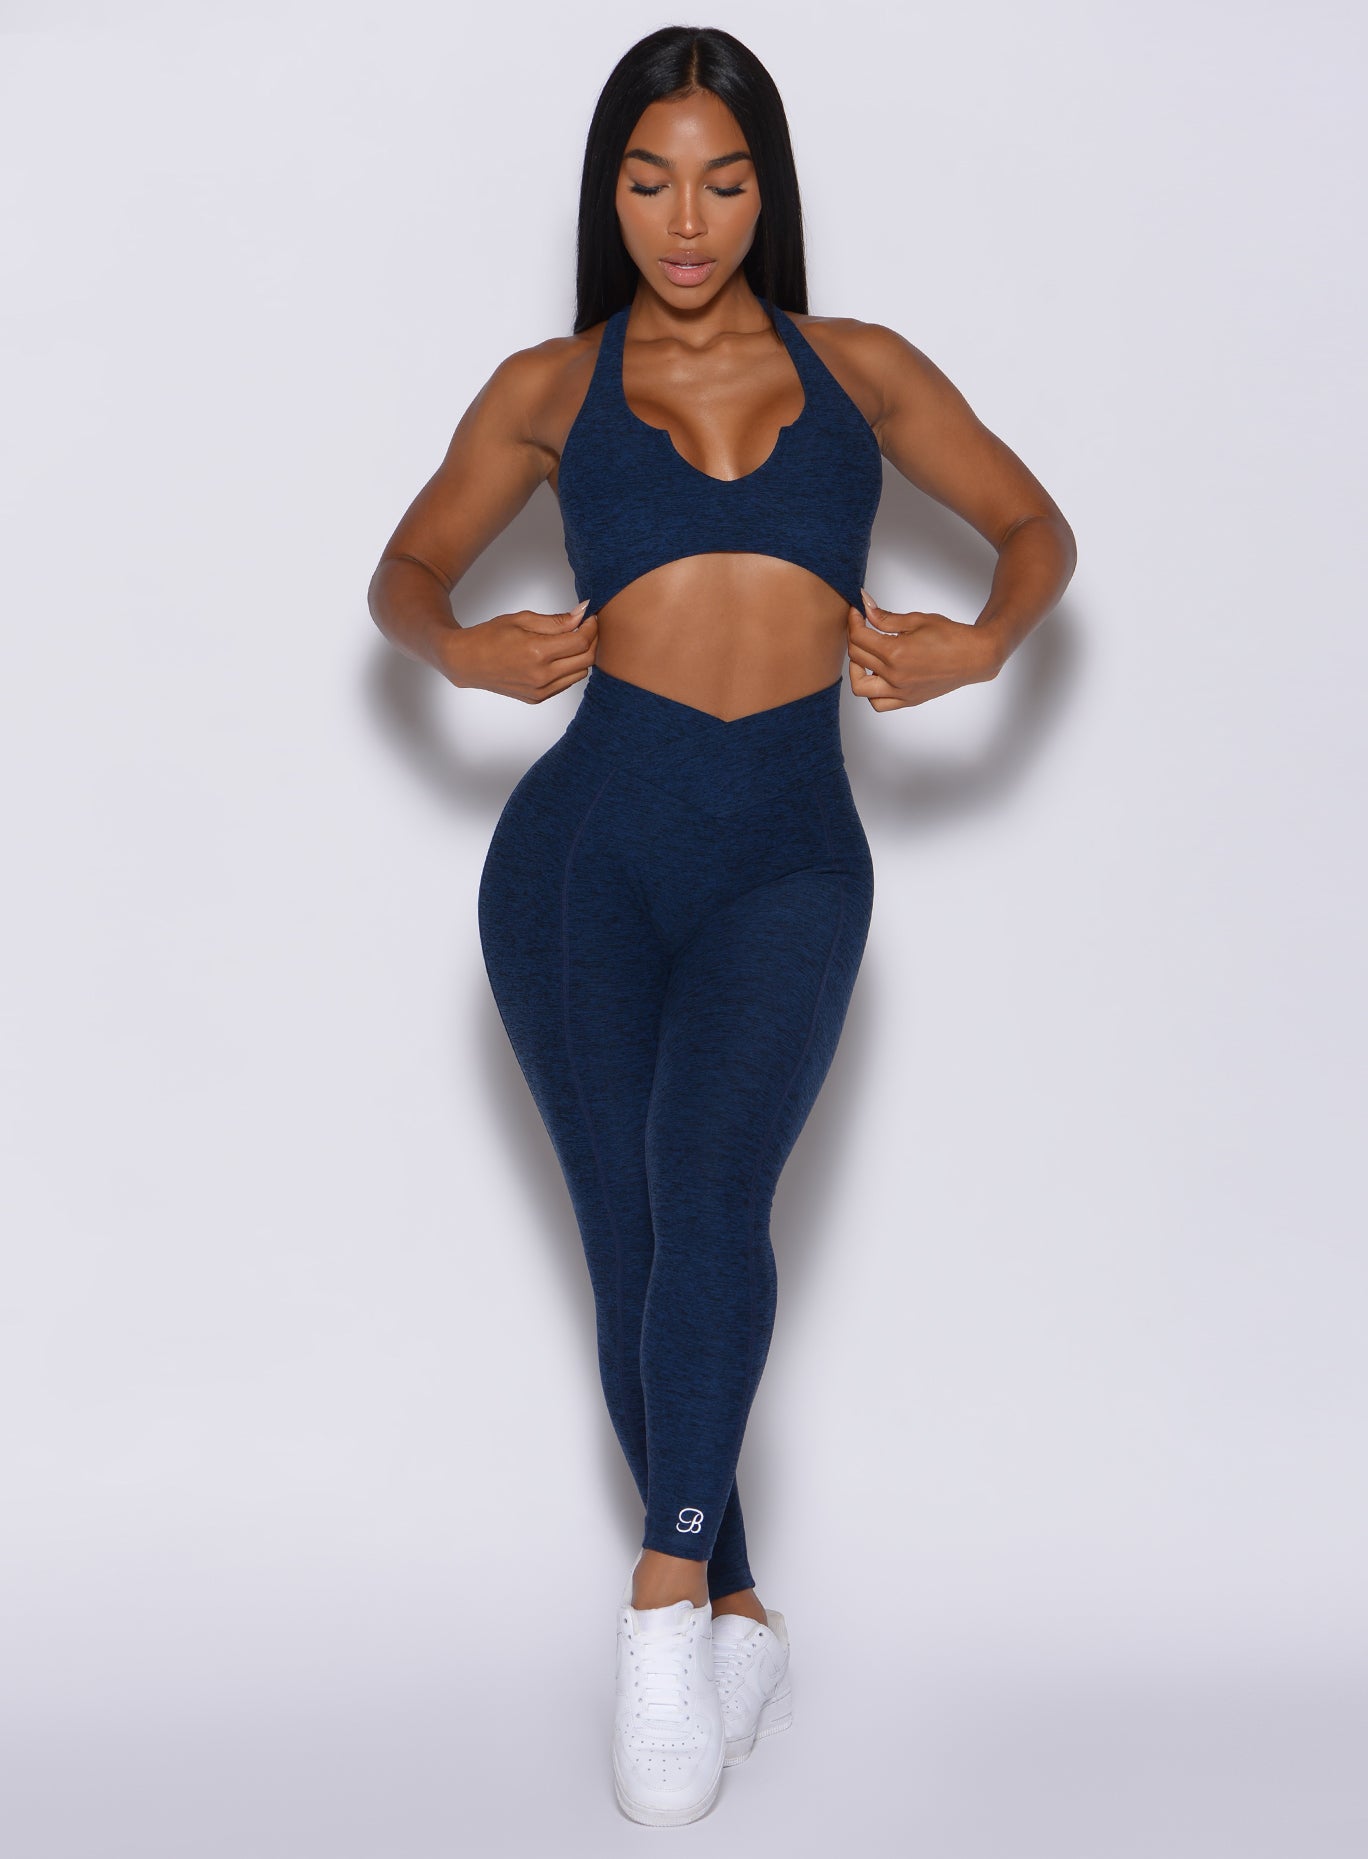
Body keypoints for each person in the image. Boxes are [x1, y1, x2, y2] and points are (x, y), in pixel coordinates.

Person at [367, 25, 1076, 1827]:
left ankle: (657, 1598)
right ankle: (735, 1611)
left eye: (725, 179)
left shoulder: (862, 369)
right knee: (634, 1242)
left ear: (769, 191)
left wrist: (985, 642)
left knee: (711, 1204)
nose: (687, 220)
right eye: (650, 179)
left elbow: (1032, 526)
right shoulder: (548, 386)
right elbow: (403, 572)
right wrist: (461, 649)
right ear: (609, 193)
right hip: (578, 861)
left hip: (789, 857)